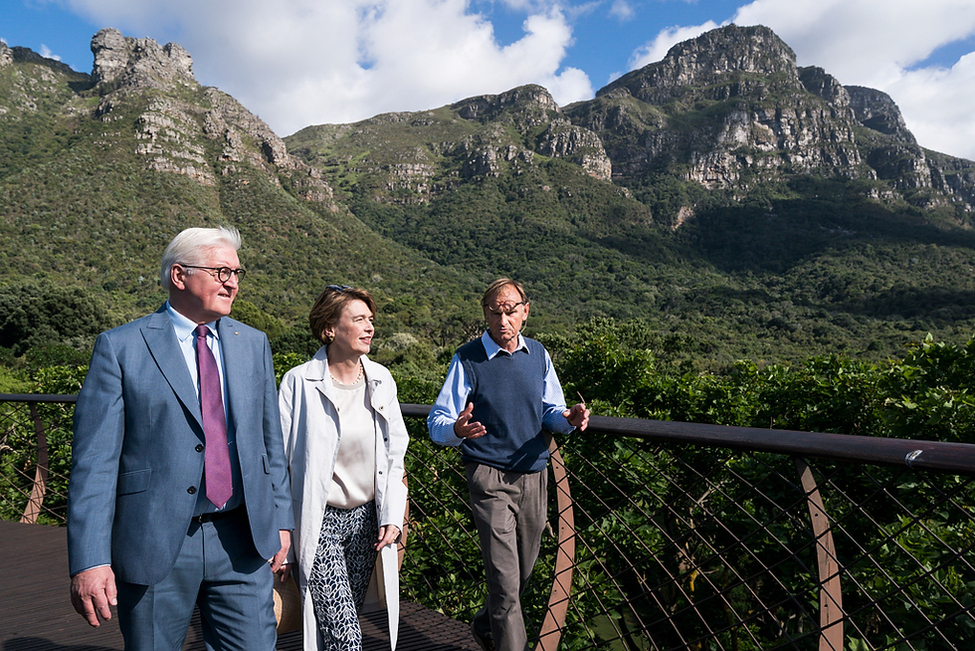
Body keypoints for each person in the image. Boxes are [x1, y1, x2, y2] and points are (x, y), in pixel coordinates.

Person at [67, 226, 294, 650]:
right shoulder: (121, 348)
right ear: (179, 275)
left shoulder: (254, 344)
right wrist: (90, 559)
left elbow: (270, 445)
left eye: (237, 273)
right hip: (154, 542)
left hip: (242, 540)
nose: (233, 282)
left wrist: (281, 521)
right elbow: (94, 464)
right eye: (222, 271)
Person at [427, 278, 590, 651]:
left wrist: (570, 417)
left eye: (511, 310)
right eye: (495, 311)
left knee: (522, 573)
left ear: (525, 312)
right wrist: (457, 428)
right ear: (485, 313)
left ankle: (486, 624)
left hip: (534, 473)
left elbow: (551, 412)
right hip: (489, 477)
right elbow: (436, 423)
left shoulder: (539, 355)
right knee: (504, 581)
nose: (503, 319)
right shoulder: (467, 358)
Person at [278, 285, 409, 651]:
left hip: (368, 520)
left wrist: (393, 516)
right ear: (330, 329)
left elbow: (396, 453)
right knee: (346, 634)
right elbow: (278, 464)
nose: (369, 328)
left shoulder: (382, 379)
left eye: (371, 320)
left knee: (337, 620)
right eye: (358, 320)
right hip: (320, 522)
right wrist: (283, 534)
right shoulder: (298, 382)